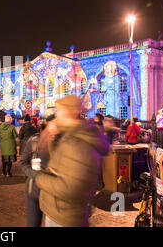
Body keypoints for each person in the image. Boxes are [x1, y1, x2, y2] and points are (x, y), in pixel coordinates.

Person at [31, 95, 110, 227]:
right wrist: (52, 137)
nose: (56, 115)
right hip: (58, 212)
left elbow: (70, 189)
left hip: (64, 217)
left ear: (68, 112)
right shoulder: (70, 135)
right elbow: (58, 161)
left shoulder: (78, 143)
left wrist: (39, 177)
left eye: (59, 110)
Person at [20, 114, 59, 227]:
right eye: (54, 124)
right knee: (33, 223)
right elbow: (23, 162)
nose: (56, 127)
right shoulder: (34, 141)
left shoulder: (64, 144)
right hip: (35, 190)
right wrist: (33, 174)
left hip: (53, 192)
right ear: (47, 124)